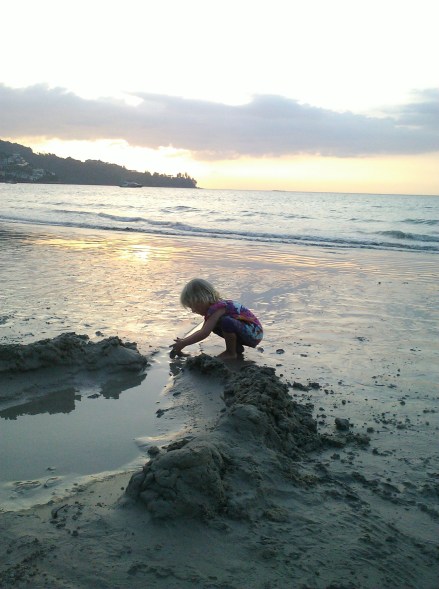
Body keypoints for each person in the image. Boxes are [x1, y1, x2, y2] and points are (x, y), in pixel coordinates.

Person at [172, 278, 263, 360]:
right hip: (247, 331)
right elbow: (203, 329)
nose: (193, 311)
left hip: (254, 333)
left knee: (226, 322)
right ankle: (236, 348)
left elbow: (204, 333)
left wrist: (184, 343)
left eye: (193, 306)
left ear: (201, 300)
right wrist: (183, 341)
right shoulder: (214, 309)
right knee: (214, 325)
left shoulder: (219, 308)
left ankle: (231, 353)